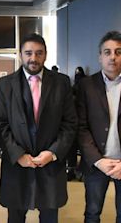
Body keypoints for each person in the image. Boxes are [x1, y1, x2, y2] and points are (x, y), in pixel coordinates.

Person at [0, 33, 77, 223]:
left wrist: (53, 153)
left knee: (49, 216)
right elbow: (0, 124)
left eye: (39, 53)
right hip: (17, 164)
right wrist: (18, 155)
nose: (33, 58)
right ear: (21, 55)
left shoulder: (61, 83)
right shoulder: (4, 85)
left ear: (45, 55)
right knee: (15, 217)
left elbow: (70, 123)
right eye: (28, 53)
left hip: (50, 164)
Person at [77, 31, 121, 223]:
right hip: (96, 163)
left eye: (118, 52)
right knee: (92, 213)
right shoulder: (86, 86)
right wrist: (97, 160)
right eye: (107, 52)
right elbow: (81, 127)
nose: (113, 57)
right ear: (100, 57)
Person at [66, 66, 87, 181]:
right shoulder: (87, 87)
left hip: (74, 124)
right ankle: (81, 171)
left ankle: (71, 170)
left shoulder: (72, 89)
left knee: (72, 149)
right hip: (83, 124)